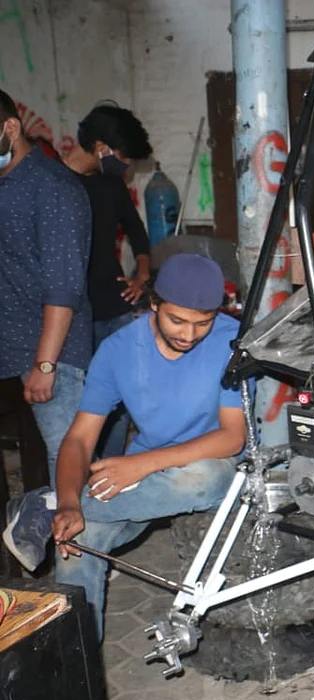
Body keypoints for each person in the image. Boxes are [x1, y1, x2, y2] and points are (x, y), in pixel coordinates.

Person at [2, 254, 247, 638]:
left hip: (208, 463)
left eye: (203, 322)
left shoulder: (232, 341)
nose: (189, 334)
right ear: (153, 303)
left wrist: (142, 465)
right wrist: (71, 506)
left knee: (206, 479)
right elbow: (80, 438)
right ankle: (80, 673)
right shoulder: (118, 351)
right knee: (79, 542)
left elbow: (233, 437)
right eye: (177, 320)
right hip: (148, 475)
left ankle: (45, 501)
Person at [0, 89, 93, 488]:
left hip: (51, 354)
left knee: (69, 465)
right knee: (42, 470)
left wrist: (44, 365)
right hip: (13, 346)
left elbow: (63, 287)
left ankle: (82, 550)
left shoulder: (53, 187)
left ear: (10, 127)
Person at [63, 104, 155, 458]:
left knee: (119, 400)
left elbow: (138, 234)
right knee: (81, 402)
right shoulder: (55, 184)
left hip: (113, 306)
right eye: (123, 156)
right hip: (71, 313)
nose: (127, 165)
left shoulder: (110, 185)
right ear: (100, 145)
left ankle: (110, 469)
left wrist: (142, 275)